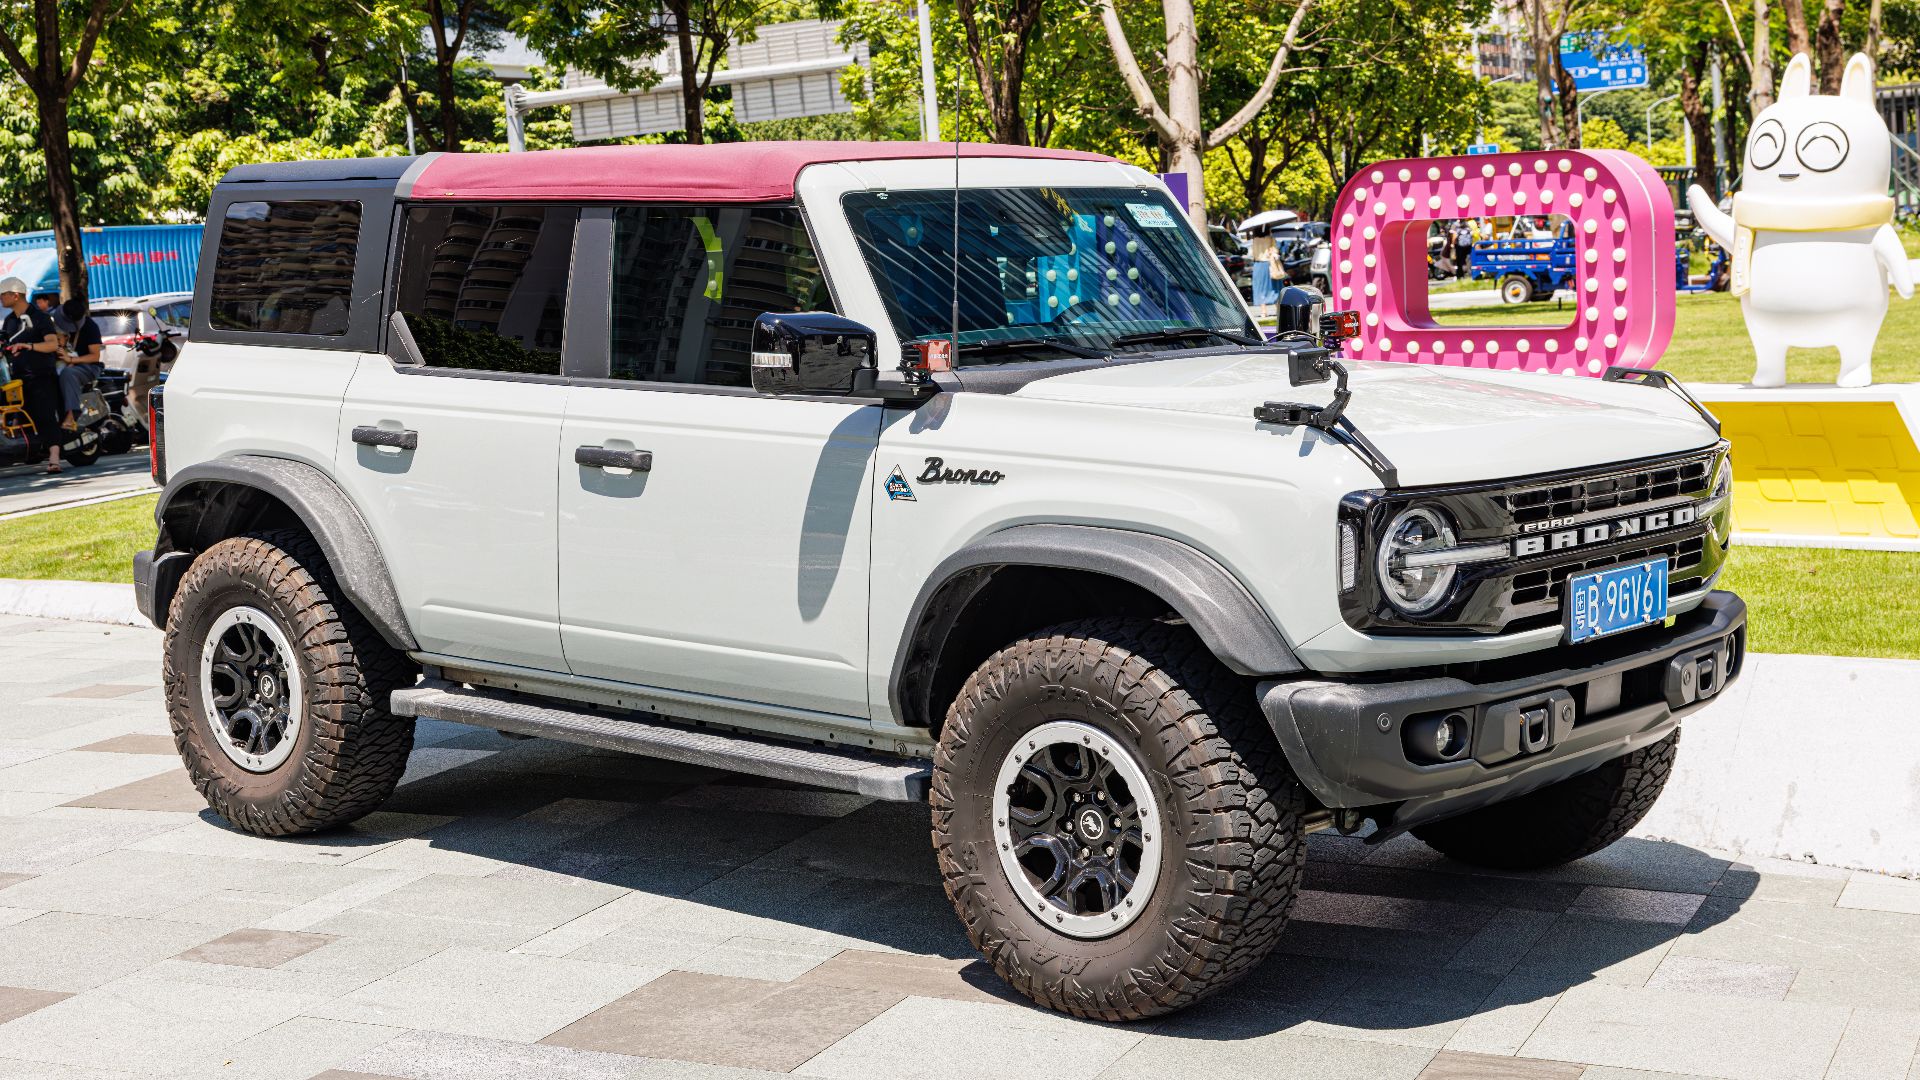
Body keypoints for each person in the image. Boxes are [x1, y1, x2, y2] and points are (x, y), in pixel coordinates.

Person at [2, 278, 66, 472]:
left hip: (40, 376)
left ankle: (54, 457)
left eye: (3, 294)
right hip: (16, 378)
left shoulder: (39, 317)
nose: (0, 299)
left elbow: (53, 344)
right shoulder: (10, 320)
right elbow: (6, 344)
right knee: (18, 416)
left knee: (45, 415)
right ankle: (30, 450)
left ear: (15, 295)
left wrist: (28, 346)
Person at [58, 297, 102, 428]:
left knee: (68, 373)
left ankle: (72, 416)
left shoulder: (90, 327)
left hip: (88, 366)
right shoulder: (57, 323)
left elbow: (95, 356)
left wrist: (71, 360)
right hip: (64, 362)